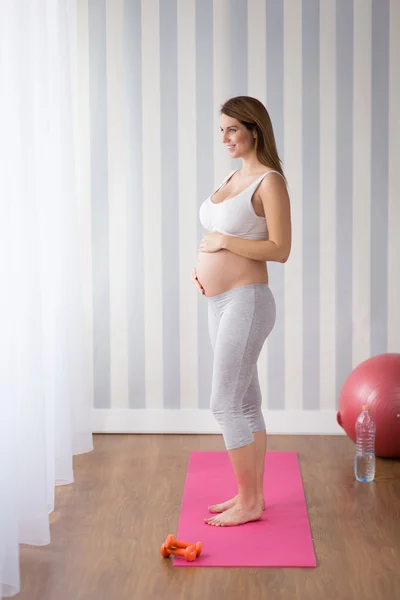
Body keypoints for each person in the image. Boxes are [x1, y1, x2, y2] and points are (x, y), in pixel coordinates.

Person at [191, 96, 291, 527]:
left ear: (255, 129)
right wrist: (205, 272)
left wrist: (223, 244)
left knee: (224, 403)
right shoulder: (233, 175)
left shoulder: (270, 181)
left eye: (233, 128)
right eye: (222, 129)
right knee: (247, 402)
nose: (225, 137)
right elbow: (218, 235)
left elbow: (280, 249)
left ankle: (249, 503)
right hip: (220, 301)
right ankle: (251, 496)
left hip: (248, 301)